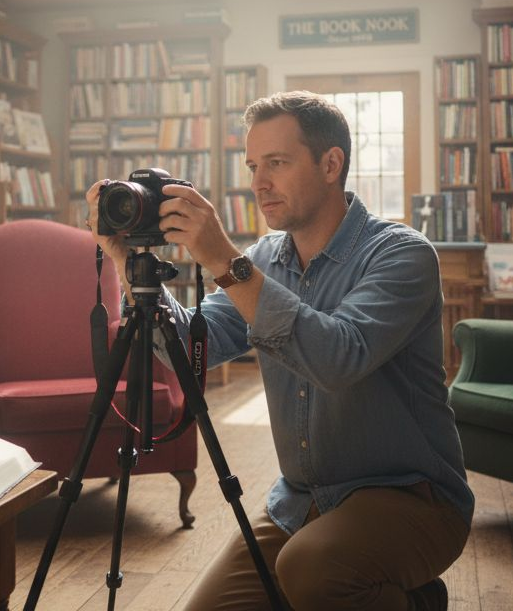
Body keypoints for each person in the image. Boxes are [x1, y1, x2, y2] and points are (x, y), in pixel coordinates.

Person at [87, 91, 473, 611]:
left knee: (310, 571)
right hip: (305, 497)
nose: (258, 183)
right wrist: (129, 269)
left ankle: (414, 602)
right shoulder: (265, 257)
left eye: (276, 163)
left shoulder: (402, 254)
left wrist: (224, 259)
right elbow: (191, 346)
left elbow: (338, 359)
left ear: (331, 163)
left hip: (413, 497)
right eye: (252, 166)